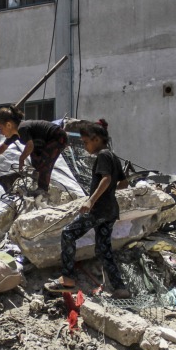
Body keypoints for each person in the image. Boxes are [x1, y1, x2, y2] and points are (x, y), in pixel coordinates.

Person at [44, 120, 130, 299]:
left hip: (98, 210)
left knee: (68, 233)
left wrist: (92, 201)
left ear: (96, 139)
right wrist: (108, 194)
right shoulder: (113, 156)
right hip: (111, 210)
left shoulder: (103, 156)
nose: (84, 146)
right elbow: (124, 183)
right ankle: (120, 288)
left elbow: (106, 179)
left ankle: (67, 279)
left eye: (85, 142)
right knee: (103, 249)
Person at [0, 106, 68, 194]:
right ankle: (38, 180)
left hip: (57, 137)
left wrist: (21, 158)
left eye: (0, 129)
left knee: (44, 162)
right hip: (42, 141)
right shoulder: (15, 134)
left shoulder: (22, 128)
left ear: (8, 125)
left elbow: (30, 146)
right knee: (35, 161)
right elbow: (3, 146)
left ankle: (42, 189)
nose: (0, 133)